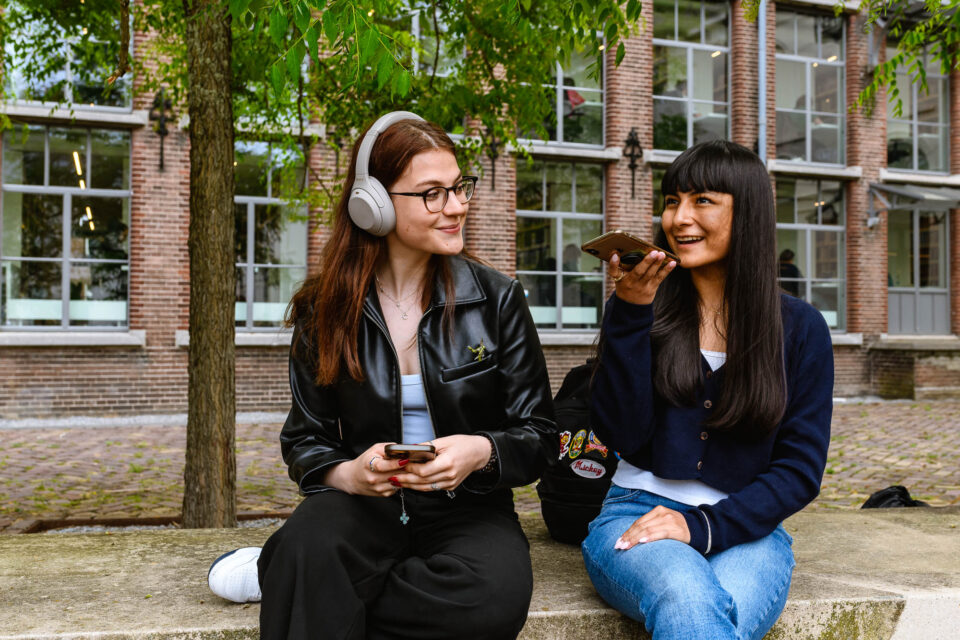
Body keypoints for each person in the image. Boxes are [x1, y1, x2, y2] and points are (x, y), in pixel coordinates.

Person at [209, 112, 557, 640]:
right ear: (372, 206)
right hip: (361, 506)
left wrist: (480, 451)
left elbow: (541, 437)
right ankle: (300, 569)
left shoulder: (498, 298)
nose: (458, 205)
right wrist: (349, 474)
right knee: (309, 547)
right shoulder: (322, 310)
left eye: (460, 187)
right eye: (432, 193)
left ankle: (293, 579)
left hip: (469, 509)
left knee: (490, 599)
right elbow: (306, 440)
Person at [581, 139, 833, 640]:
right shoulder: (643, 309)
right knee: (690, 597)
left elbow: (799, 471)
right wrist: (630, 314)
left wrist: (701, 527)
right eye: (672, 200)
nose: (679, 218)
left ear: (749, 214)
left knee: (715, 613)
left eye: (702, 201)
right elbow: (621, 433)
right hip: (635, 513)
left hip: (747, 532)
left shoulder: (800, 329)